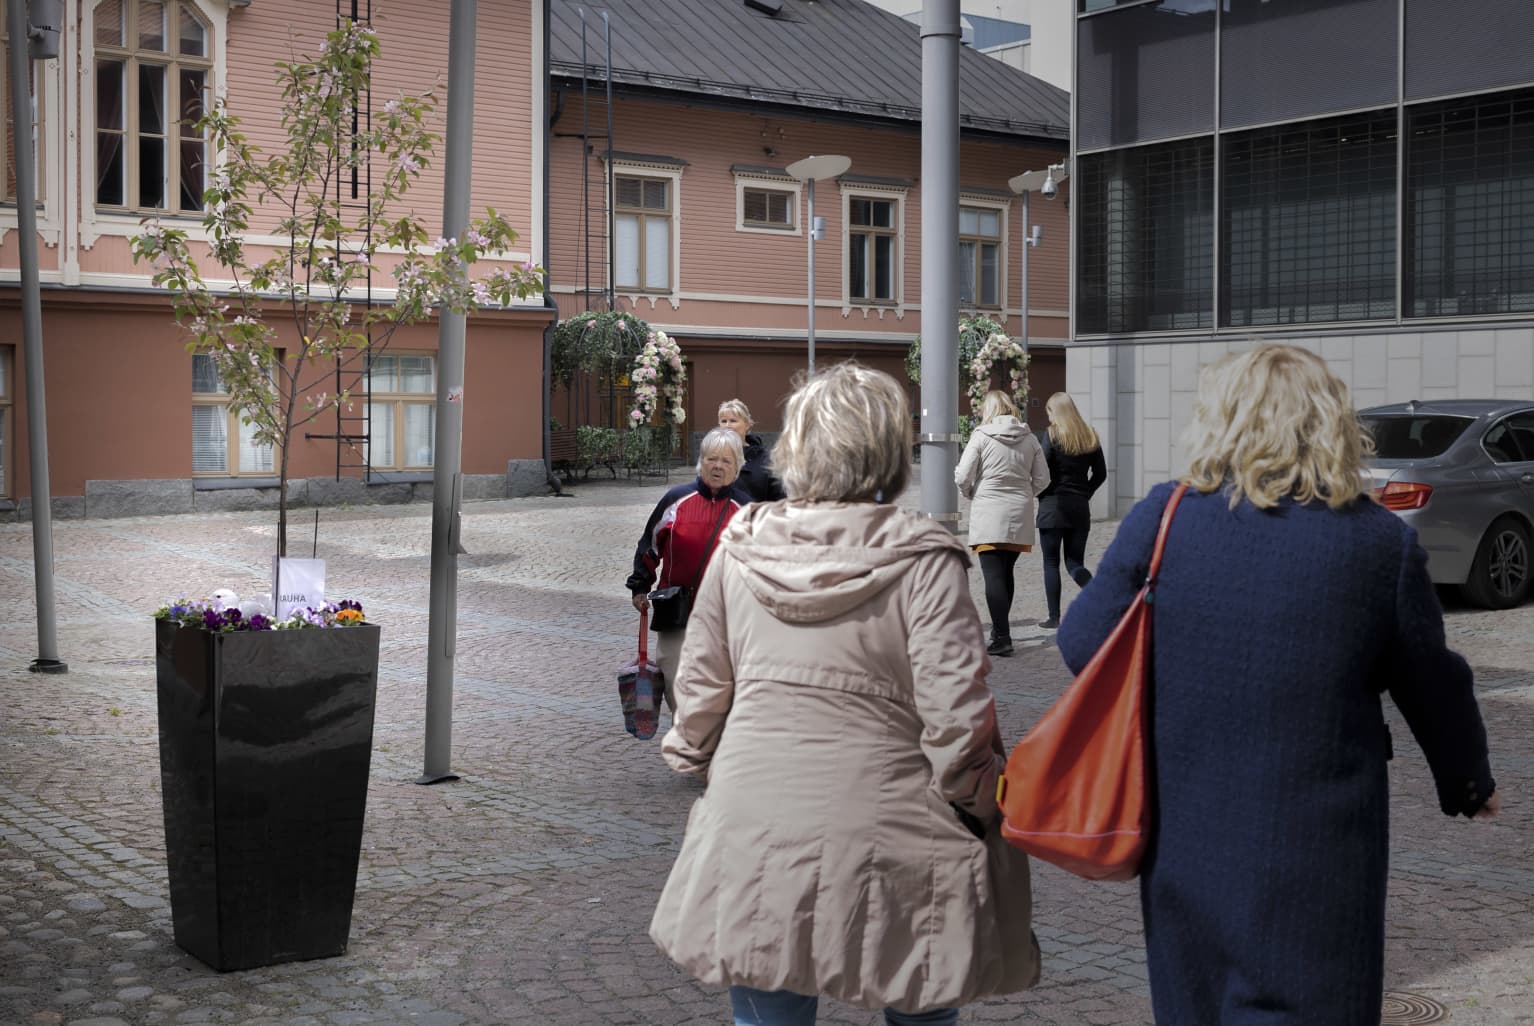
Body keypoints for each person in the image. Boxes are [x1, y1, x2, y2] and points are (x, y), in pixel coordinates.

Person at [1057, 344, 1500, 1026]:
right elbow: (1432, 680)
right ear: (1332, 426)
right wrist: (1466, 782)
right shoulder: (1377, 542)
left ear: (1221, 422)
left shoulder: (1164, 517)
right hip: (1319, 859)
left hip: (1186, 842)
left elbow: (1081, 643)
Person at [650, 363, 1040, 1026]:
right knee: (919, 992)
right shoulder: (926, 561)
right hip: (898, 826)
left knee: (768, 999)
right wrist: (989, 802)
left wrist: (690, 755)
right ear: (892, 452)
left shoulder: (739, 549)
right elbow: (955, 719)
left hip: (757, 816)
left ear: (794, 450)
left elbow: (702, 689)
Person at [626, 427, 748, 712]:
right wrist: (640, 585)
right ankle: (690, 741)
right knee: (677, 686)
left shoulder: (746, 510)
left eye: (726, 461)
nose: (718, 466)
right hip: (677, 614)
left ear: (737, 467)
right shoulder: (675, 501)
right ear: (701, 461)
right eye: (712, 459)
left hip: (727, 618)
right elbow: (649, 545)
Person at [954, 390, 1050, 657]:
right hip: (1019, 512)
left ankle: (1003, 637)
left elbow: (963, 475)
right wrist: (1024, 495)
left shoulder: (981, 436)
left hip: (989, 511)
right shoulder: (1030, 438)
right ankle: (1000, 631)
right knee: (1006, 572)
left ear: (988, 410)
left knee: (993, 575)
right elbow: (1043, 478)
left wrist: (970, 492)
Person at [1035, 392, 1107, 629]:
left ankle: (1054, 617)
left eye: (1049, 412)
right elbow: (1101, 474)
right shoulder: (1089, 435)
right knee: (1074, 563)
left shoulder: (1052, 435)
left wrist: (1040, 493)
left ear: (1055, 412)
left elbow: (1042, 470)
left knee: (1051, 563)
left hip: (1052, 507)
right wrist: (1085, 492)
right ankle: (1100, 600)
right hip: (1079, 509)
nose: (1048, 417)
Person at [717, 398, 786, 502]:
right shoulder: (711, 456)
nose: (727, 426)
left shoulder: (766, 460)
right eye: (724, 421)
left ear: (747, 425)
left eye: (733, 421)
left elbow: (780, 499)